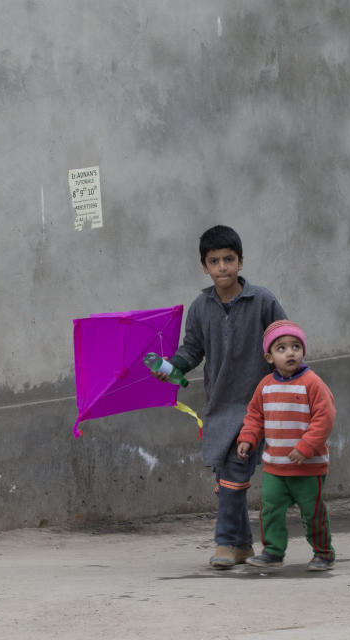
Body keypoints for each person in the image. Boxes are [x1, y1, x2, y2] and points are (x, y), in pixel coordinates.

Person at [154, 225, 287, 569]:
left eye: (229, 259)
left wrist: (290, 385)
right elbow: (192, 350)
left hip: (257, 404)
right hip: (220, 405)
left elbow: (284, 339)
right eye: (215, 261)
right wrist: (171, 367)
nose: (223, 267)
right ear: (204, 267)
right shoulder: (200, 307)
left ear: (241, 262)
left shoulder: (263, 301)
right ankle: (242, 545)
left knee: (234, 472)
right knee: (226, 477)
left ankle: (225, 542)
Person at [236, 320, 336, 572]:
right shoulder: (266, 386)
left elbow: (325, 417)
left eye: (295, 346)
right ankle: (273, 551)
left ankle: (323, 553)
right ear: (269, 357)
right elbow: (255, 416)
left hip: (309, 467)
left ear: (303, 351)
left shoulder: (312, 383)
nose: (290, 352)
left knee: (312, 514)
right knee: (269, 509)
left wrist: (306, 446)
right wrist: (247, 438)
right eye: (281, 348)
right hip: (275, 466)